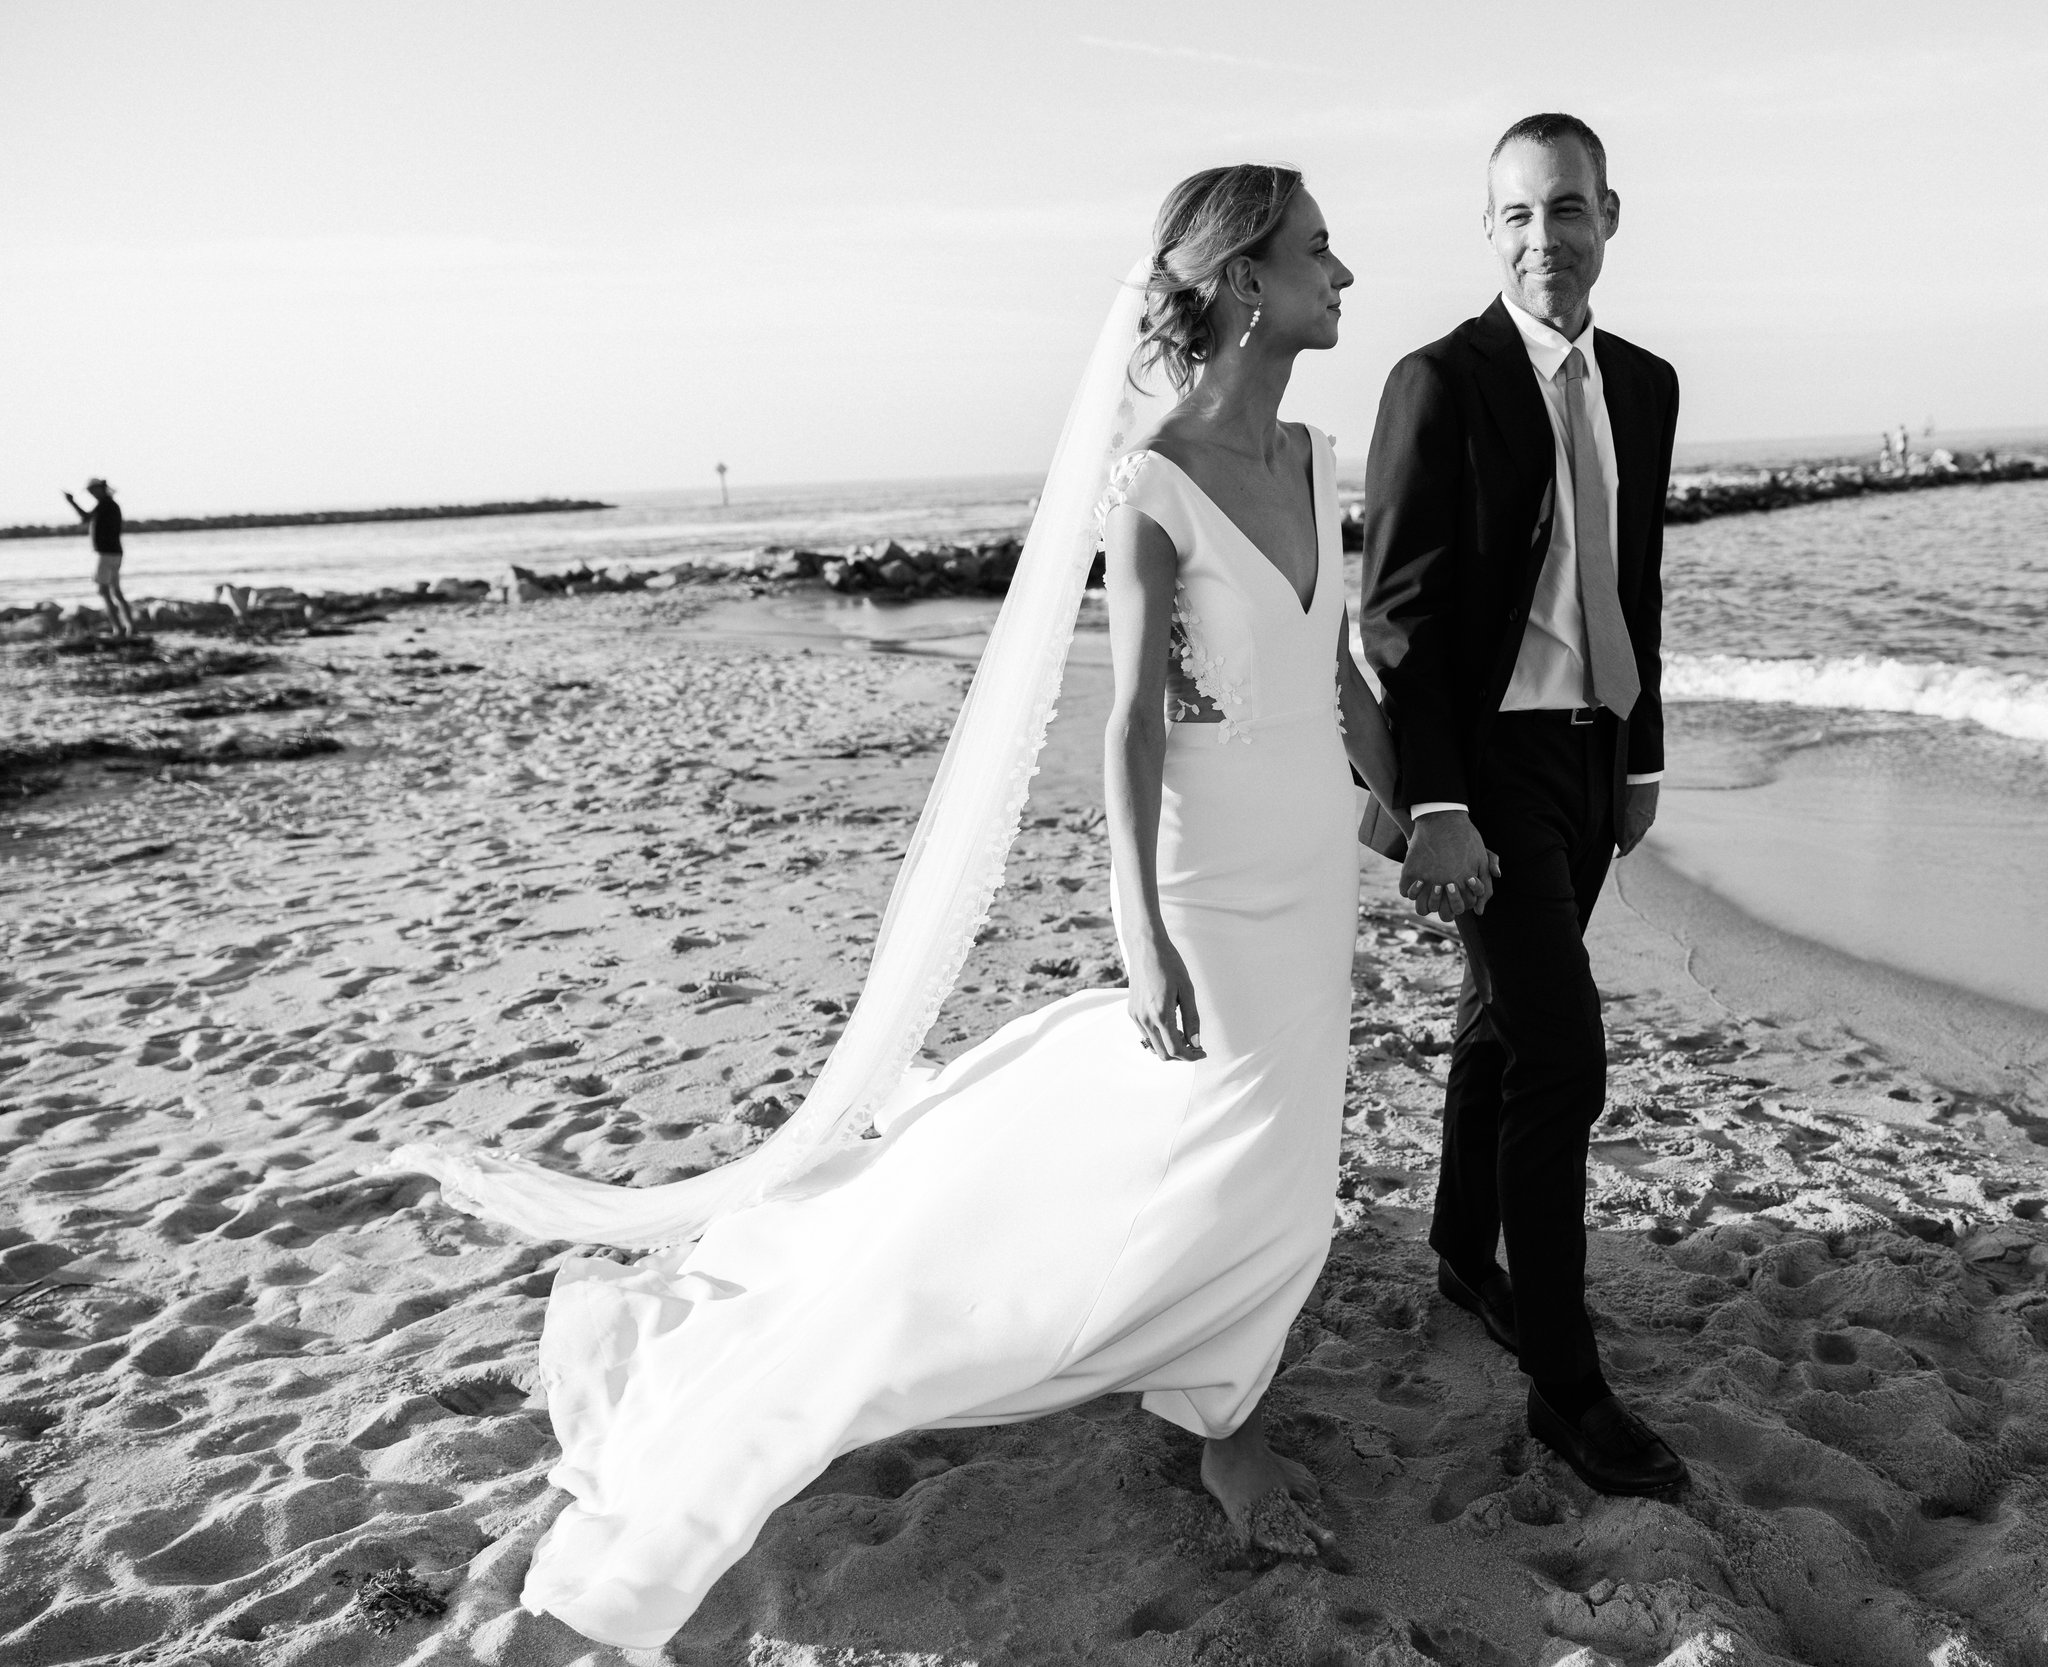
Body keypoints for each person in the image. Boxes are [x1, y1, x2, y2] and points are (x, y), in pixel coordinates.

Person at [383, 164, 1463, 1651]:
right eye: (1320, 252)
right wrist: (1140, 928)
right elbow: (1131, 725)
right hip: (1210, 864)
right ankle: (1130, 1380)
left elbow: (1332, 658)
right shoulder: (1152, 477)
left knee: (1286, 1157)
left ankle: (1227, 1412)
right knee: (1229, 1139)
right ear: (1244, 286)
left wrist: (1400, 795)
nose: (1346, 275)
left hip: (1312, 852)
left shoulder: (1312, 449)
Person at [1359, 113, 1690, 1499]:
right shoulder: (1438, 380)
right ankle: (1566, 1384)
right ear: (1487, 230)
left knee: (1505, 1020)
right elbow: (1398, 618)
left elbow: (1637, 580)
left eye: (1565, 209)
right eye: (1513, 215)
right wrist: (1433, 800)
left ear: (1611, 214)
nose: (1541, 238)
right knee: (1567, 1058)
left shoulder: (1652, 383)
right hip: (1483, 768)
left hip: (1593, 755)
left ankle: (1456, 1243)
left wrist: (1647, 756)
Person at [63, 477, 135, 636]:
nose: (91, 494)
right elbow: (88, 519)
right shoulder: (110, 505)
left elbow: (85, 518)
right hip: (115, 552)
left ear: (100, 489)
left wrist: (71, 502)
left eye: (92, 491)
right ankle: (129, 626)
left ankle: (118, 628)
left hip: (105, 553)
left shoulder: (105, 505)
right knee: (116, 592)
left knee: (103, 591)